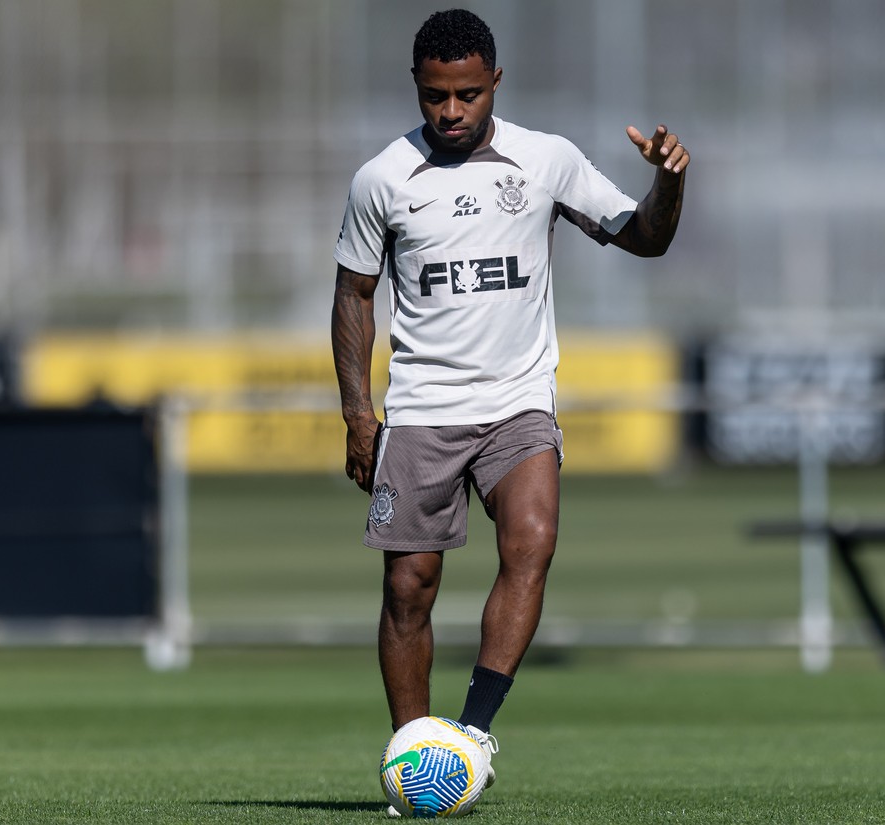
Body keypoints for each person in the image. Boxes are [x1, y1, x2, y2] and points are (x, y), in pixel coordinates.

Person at [331, 7, 688, 806]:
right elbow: (354, 295)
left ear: (495, 81)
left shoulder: (545, 160)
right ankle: (413, 760)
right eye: (434, 97)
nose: (451, 112)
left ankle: (475, 733)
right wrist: (359, 413)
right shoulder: (382, 179)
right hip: (422, 407)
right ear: (416, 90)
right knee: (408, 588)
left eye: (466, 94)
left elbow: (646, 238)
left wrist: (670, 181)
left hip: (518, 402)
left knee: (532, 538)